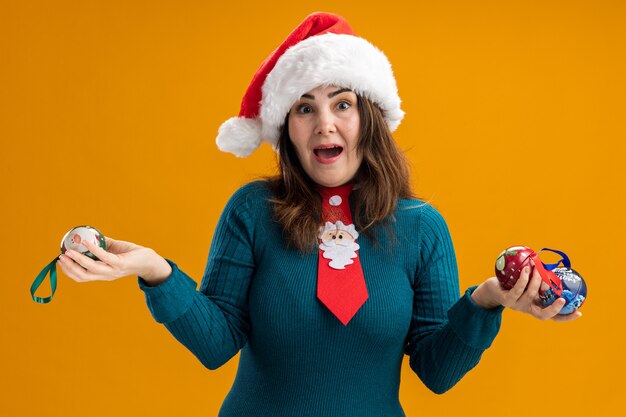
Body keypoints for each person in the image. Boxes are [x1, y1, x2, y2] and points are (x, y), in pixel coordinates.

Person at [57, 12, 581, 417]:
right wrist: (157, 273)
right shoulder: (251, 213)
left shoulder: (422, 228)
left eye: (342, 104)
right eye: (304, 107)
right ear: (287, 127)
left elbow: (437, 370)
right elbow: (217, 344)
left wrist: (487, 300)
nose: (324, 123)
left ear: (369, 118)